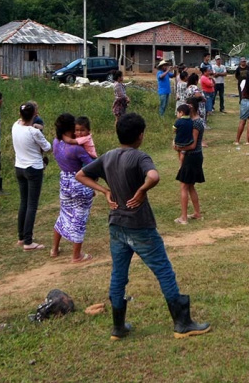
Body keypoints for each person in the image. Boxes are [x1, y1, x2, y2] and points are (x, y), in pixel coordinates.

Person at [76, 113, 211, 340]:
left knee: (119, 275)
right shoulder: (139, 157)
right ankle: (182, 323)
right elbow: (154, 176)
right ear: (140, 136)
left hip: (117, 226)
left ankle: (118, 328)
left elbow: (81, 174)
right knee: (164, 272)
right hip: (141, 227)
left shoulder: (108, 156)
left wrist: (105, 190)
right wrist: (141, 190)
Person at [51, 113, 96, 262]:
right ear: (71, 128)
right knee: (79, 218)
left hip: (64, 180)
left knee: (63, 214)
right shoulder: (77, 149)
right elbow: (92, 166)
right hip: (79, 182)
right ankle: (77, 255)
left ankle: (54, 249)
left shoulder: (56, 142)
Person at [12, 102, 51, 251]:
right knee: (32, 205)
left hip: (19, 167)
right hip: (33, 168)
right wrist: (39, 129)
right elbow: (47, 147)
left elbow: (20, 119)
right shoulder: (33, 132)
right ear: (34, 115)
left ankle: (21, 237)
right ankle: (28, 241)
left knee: (24, 202)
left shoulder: (15, 126)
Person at [174, 96, 205, 224]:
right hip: (195, 156)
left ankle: (184, 217)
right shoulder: (195, 121)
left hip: (192, 156)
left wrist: (179, 147)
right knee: (190, 186)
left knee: (184, 186)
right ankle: (197, 213)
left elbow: (192, 145)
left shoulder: (196, 124)